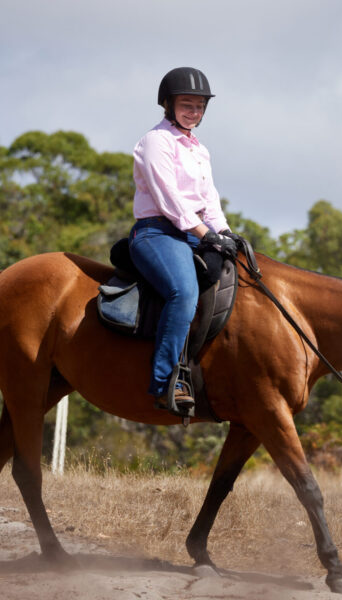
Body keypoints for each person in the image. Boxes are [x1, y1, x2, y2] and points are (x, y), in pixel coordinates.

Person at [129, 66, 237, 412]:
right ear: (168, 104)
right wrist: (207, 234)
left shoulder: (199, 150)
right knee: (184, 292)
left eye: (199, 107)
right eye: (187, 105)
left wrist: (227, 235)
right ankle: (166, 381)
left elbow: (210, 200)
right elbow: (169, 201)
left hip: (193, 234)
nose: (193, 112)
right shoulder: (155, 142)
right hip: (158, 233)